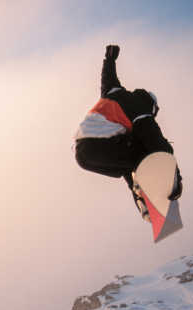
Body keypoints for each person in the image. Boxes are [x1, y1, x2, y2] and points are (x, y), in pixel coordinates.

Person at [74, 44, 182, 220]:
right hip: (98, 144)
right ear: (150, 106)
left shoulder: (112, 92)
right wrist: (174, 175)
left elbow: (107, 78)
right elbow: (156, 141)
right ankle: (150, 192)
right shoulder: (140, 110)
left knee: (128, 165)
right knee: (143, 149)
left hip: (83, 154)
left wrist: (109, 59)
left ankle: (144, 202)